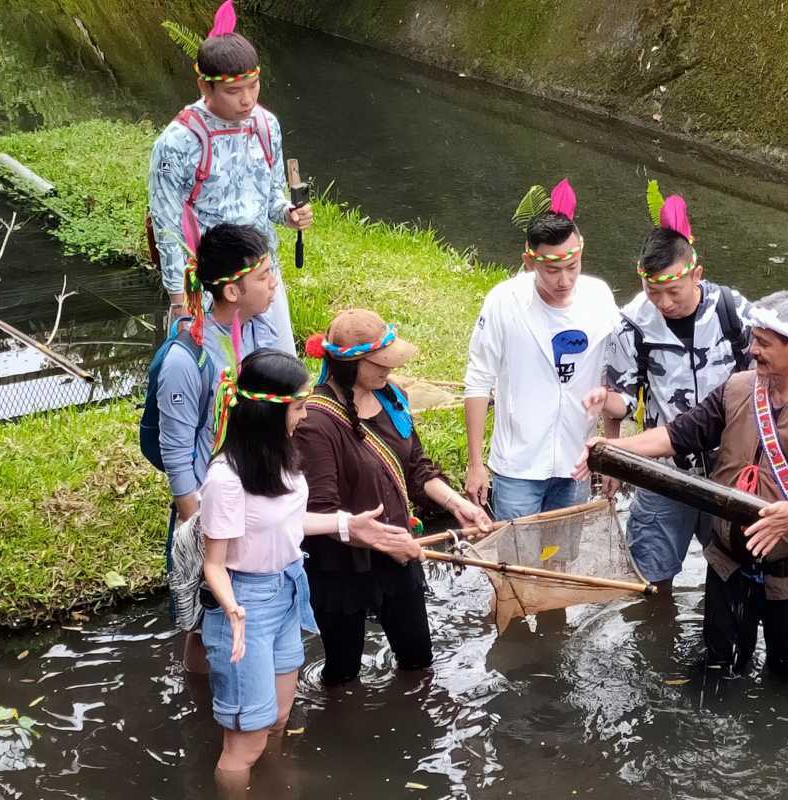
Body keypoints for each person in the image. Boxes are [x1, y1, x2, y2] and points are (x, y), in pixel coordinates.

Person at [576, 290, 788, 680]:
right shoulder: (738, 388)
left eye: (763, 342)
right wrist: (612, 448)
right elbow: (678, 435)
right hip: (729, 561)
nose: (751, 348)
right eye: (753, 338)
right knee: (718, 668)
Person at [199, 347, 420, 791]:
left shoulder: (280, 456)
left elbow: (288, 522)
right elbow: (214, 564)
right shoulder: (226, 479)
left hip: (287, 589)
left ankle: (277, 779)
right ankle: (243, 779)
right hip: (247, 603)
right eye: (299, 408)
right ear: (268, 412)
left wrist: (347, 524)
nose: (305, 416)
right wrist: (233, 611)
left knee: (278, 717)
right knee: (243, 742)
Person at [295, 309, 492, 685]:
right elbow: (320, 510)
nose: (389, 370)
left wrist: (457, 504)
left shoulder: (392, 398)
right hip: (342, 567)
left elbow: (416, 468)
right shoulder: (316, 422)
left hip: (398, 553)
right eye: (380, 364)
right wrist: (377, 538)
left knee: (418, 657)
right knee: (343, 670)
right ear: (350, 364)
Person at [583, 189, 750, 589]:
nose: (663, 303)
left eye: (673, 291)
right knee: (650, 578)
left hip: (729, 469)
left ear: (696, 274)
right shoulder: (633, 324)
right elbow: (621, 399)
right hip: (663, 469)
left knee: (733, 573)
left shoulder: (733, 311)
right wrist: (607, 424)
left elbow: (764, 382)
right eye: (653, 292)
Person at [148, 0, 312, 354]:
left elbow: (270, 199)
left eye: (253, 87)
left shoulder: (266, 126)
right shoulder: (178, 142)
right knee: (218, 387)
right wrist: (180, 302)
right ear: (205, 87)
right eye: (234, 91)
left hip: (262, 274)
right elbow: (167, 228)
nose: (247, 100)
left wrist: (289, 214)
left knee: (277, 375)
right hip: (211, 286)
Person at [158, 222, 280, 672]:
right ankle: (198, 694)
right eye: (264, 275)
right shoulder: (186, 357)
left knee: (244, 602)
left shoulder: (258, 332)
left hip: (252, 488)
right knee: (203, 612)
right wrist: (196, 526)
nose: (273, 283)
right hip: (209, 504)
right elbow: (176, 451)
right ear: (232, 291)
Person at [463, 179, 619, 520]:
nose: (564, 280)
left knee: (562, 562)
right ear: (530, 261)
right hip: (518, 465)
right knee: (517, 559)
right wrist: (475, 464)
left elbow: (612, 379)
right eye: (552, 270)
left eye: (572, 268)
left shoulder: (600, 298)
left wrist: (610, 456)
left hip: (575, 460)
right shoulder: (504, 301)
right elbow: (477, 381)